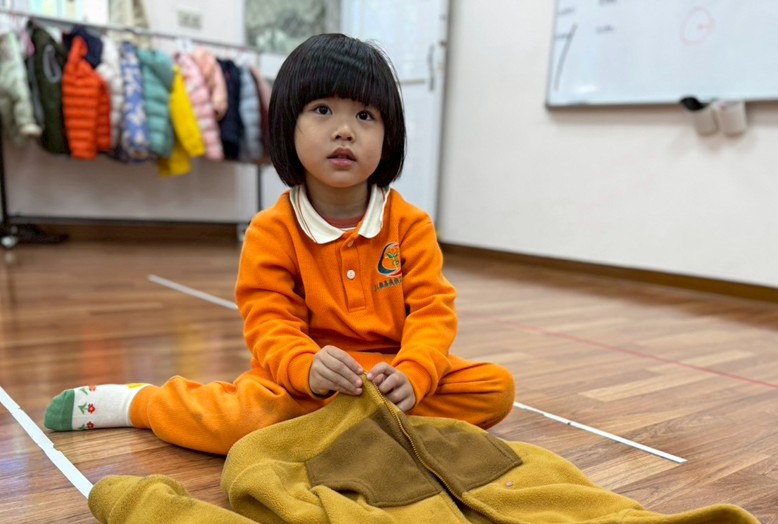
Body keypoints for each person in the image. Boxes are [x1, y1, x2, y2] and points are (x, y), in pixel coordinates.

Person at [44, 33, 515, 455]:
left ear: (389, 137)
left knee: (494, 389)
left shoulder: (411, 224)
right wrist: (306, 366)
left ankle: (348, 426)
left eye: (365, 115)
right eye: (323, 110)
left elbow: (433, 311)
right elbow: (268, 321)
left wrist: (414, 373)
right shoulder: (272, 229)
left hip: (389, 375)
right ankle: (141, 403)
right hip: (303, 383)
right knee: (241, 419)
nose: (345, 130)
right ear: (288, 125)